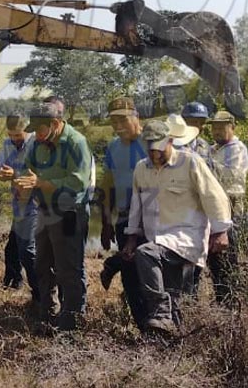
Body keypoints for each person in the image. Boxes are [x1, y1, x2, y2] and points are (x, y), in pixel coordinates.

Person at [123, 120, 232, 336]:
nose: (155, 154)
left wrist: (220, 232)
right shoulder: (141, 169)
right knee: (178, 298)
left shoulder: (190, 162)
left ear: (170, 141)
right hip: (159, 239)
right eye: (150, 148)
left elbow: (214, 196)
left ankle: (161, 313)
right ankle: (176, 341)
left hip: (186, 238)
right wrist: (131, 238)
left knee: (146, 254)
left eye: (159, 148)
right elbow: (136, 205)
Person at [19, 102, 93, 332]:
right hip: (45, 211)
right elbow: (27, 169)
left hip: (70, 212)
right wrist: (16, 177)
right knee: (42, 264)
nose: (37, 135)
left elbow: (77, 182)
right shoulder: (38, 143)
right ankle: (48, 311)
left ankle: (72, 322)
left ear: (55, 124)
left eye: (40, 129)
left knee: (69, 268)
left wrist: (42, 183)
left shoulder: (76, 142)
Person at [97, 96, 150, 329]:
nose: (118, 127)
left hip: (153, 219)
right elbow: (107, 185)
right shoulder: (113, 147)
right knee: (131, 278)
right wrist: (106, 223)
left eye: (123, 120)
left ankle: (157, 323)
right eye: (114, 122)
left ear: (136, 117)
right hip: (125, 218)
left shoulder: (151, 143)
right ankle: (143, 326)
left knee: (151, 272)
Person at [206, 110, 248, 305]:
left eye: (221, 127)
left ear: (232, 127)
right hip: (214, 205)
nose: (216, 131)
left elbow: (232, 177)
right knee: (214, 259)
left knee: (227, 257)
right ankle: (222, 301)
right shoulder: (214, 149)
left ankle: (231, 304)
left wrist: (206, 164)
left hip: (231, 204)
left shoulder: (237, 149)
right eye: (214, 127)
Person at [0, 115, 40, 299]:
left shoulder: (37, 144)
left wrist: (14, 174)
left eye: (18, 135)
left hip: (36, 203)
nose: (14, 139)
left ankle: (40, 292)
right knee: (13, 248)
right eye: (11, 135)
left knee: (28, 251)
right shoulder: (7, 144)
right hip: (18, 204)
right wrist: (4, 175)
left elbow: (38, 175)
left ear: (27, 130)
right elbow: (1, 168)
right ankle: (14, 283)